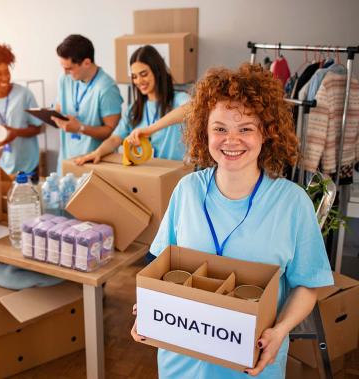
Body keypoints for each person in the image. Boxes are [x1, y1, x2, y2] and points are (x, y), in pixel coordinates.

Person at [131, 63, 333, 379]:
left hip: (251, 364)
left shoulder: (292, 203)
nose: (231, 140)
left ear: (267, 132)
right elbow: (161, 266)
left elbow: (308, 284)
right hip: (182, 364)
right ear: (204, 131)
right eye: (220, 128)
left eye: (246, 129)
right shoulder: (187, 190)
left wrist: (280, 331)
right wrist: (146, 306)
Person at [75, 45, 189, 165]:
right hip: (147, 175)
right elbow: (115, 139)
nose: (139, 81)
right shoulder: (133, 110)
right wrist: (97, 152)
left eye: (144, 74)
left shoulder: (178, 99)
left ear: (158, 72)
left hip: (176, 174)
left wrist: (149, 130)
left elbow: (190, 108)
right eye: (134, 76)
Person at [52, 34, 123, 173]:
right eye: (63, 67)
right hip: (66, 161)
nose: (65, 73)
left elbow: (112, 133)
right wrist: (55, 116)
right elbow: (59, 107)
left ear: (87, 62)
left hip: (93, 165)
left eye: (69, 68)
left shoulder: (107, 88)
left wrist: (80, 128)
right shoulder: (65, 79)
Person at [0, 42, 43, 175]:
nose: (5, 78)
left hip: (28, 164)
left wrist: (15, 132)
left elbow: (37, 128)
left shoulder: (24, 94)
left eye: (7, 72)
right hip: (1, 166)